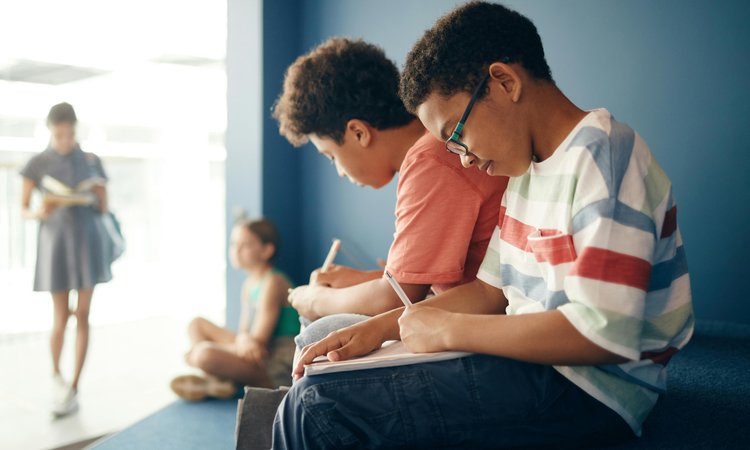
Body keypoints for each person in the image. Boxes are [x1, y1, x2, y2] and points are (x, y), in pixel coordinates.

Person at [274, 3, 694, 449]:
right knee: (326, 362)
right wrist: (384, 327)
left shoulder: (604, 153)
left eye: (456, 134)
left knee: (318, 404)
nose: (464, 158)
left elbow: (604, 332)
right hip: (527, 366)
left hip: (589, 391)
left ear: (505, 82)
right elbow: (491, 291)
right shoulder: (524, 174)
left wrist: (448, 330)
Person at [272, 38, 505, 345]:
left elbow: (395, 298)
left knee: (318, 327)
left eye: (331, 157)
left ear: (359, 132)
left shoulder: (431, 160)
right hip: (464, 313)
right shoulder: (430, 151)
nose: (340, 172)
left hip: (481, 331)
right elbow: (416, 285)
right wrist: (363, 281)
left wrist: (314, 299)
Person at [20, 102, 112, 417]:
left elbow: (103, 208)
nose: (64, 140)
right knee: (60, 316)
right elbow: (24, 208)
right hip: (55, 243)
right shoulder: (37, 163)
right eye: (59, 134)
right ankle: (57, 376)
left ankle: (75, 385)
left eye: (69, 134)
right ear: (50, 131)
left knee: (83, 314)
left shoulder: (91, 160)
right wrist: (38, 211)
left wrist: (98, 196)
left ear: (75, 130)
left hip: (88, 241)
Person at [170, 219, 299, 401]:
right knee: (196, 324)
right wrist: (243, 339)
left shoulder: (273, 282)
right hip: (254, 348)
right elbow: (244, 334)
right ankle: (216, 381)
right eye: (234, 244)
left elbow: (259, 342)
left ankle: (222, 378)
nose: (236, 250)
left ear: (266, 250)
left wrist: (239, 342)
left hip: (274, 358)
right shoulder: (249, 284)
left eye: (245, 245)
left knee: (204, 353)